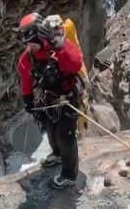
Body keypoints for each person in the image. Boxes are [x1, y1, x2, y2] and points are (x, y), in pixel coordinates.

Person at [16, 12, 84, 189]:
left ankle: (69, 174)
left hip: (67, 97)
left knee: (65, 136)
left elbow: (75, 64)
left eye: (31, 42)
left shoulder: (56, 47)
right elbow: (25, 76)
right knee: (51, 129)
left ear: (39, 36)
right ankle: (57, 154)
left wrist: (59, 45)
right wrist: (28, 99)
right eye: (27, 43)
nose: (29, 47)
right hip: (48, 98)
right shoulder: (29, 56)